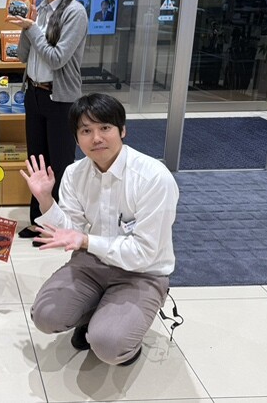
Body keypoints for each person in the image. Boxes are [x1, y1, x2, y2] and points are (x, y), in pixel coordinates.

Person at [20, 93, 178, 366]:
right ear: (76, 138)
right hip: (90, 265)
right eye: (86, 131)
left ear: (122, 130)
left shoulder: (153, 177)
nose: (96, 138)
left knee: (109, 344)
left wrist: (85, 241)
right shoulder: (74, 174)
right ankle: (96, 312)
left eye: (105, 127)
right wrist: (45, 199)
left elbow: (145, 252)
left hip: (141, 273)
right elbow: (70, 231)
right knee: (45, 315)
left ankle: (123, 333)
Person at [6, 0, 88, 243]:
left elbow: (56, 58)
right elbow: (22, 55)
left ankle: (60, 225)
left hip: (60, 98)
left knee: (60, 163)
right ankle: (39, 221)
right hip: (34, 94)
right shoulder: (38, 9)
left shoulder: (75, 12)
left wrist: (32, 29)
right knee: (37, 161)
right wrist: (24, 25)